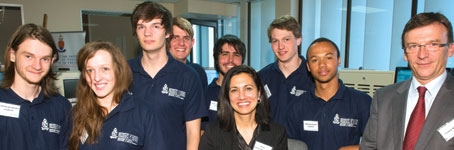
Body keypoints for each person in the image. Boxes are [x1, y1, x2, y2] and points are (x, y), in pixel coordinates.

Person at [360, 12, 454, 150]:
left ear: (450, 49)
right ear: (405, 54)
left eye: (433, 44)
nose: (422, 55)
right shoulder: (384, 98)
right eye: (413, 46)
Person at [127, 2, 206, 150]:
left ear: (168, 32)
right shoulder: (123, 73)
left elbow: (193, 133)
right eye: (141, 27)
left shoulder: (188, 76)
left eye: (155, 26)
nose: (147, 33)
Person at [68, 42, 163, 150]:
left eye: (105, 69)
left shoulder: (143, 113)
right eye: (90, 70)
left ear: (118, 70)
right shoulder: (77, 114)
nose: (97, 78)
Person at [286, 38, 372, 150]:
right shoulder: (296, 106)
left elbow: (378, 143)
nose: (322, 65)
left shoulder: (362, 102)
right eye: (315, 60)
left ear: (339, 60)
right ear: (308, 66)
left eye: (328, 58)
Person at [0, 23, 71, 149]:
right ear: (12, 55)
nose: (37, 66)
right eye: (28, 56)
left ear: (52, 60)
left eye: (44, 59)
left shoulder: (62, 107)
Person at [199, 65, 288, 150]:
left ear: (259, 93)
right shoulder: (212, 133)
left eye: (248, 88)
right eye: (234, 90)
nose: (242, 96)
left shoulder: (277, 133)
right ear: (227, 96)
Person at [258, 15, 314, 125]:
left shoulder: (313, 77)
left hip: (303, 141)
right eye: (275, 41)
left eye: (286, 39)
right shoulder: (262, 77)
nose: (280, 46)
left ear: (298, 40)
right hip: (270, 140)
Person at [204, 34, 246, 124]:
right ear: (216, 58)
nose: (230, 60)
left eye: (236, 55)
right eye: (225, 54)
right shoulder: (205, 95)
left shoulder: (249, 93)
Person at [169, 17, 208, 88]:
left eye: (186, 38)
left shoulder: (198, 72)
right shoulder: (157, 70)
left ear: (192, 43)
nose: (181, 43)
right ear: (167, 41)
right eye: (175, 37)